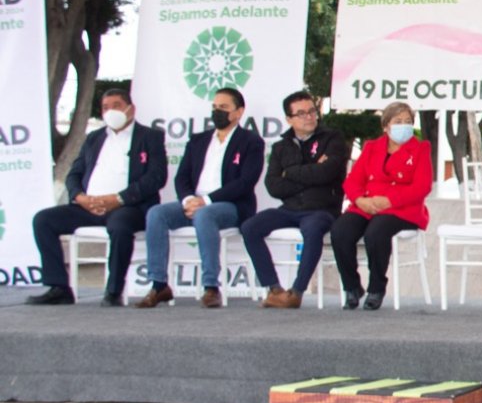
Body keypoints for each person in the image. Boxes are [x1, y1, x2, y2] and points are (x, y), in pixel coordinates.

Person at [28, 89, 166, 307]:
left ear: (131, 109)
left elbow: (156, 177)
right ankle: (59, 287)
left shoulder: (150, 137)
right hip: (88, 206)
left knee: (120, 229)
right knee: (43, 220)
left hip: (127, 207)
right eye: (105, 107)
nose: (111, 111)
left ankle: (113, 291)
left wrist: (118, 199)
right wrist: (79, 197)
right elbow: (74, 174)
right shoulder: (94, 138)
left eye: (117, 105)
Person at [134, 87, 265, 308]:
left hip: (229, 206)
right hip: (193, 203)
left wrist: (206, 201)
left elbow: (244, 183)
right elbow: (181, 177)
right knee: (156, 214)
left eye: (223, 107)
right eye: (214, 107)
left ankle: (211, 287)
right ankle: (159, 285)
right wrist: (187, 200)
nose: (217, 112)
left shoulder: (251, 142)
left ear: (239, 111)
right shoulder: (199, 140)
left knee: (205, 215)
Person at [240, 91, 349, 308]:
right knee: (250, 227)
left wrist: (289, 173)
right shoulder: (281, 146)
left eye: (311, 111)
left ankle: (297, 292)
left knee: (313, 229)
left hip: (322, 208)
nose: (309, 117)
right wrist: (313, 170)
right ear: (289, 119)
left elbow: (327, 174)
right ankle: (274, 289)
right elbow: (273, 186)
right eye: (301, 113)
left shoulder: (333, 139)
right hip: (289, 208)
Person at [330, 101, 432, 311]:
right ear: (385, 126)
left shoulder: (421, 149)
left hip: (401, 208)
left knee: (376, 233)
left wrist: (390, 200)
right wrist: (359, 200)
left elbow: (422, 186)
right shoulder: (371, 147)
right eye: (398, 121)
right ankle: (351, 287)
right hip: (367, 205)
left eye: (408, 122)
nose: (404, 126)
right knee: (340, 231)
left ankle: (376, 288)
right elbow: (352, 180)